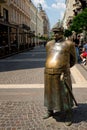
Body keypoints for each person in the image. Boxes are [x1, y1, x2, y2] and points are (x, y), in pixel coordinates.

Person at [44, 22, 77, 126]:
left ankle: (68, 114)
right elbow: (49, 56)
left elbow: (73, 60)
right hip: (48, 72)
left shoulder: (69, 44)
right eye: (53, 32)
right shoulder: (49, 44)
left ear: (62, 32)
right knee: (49, 93)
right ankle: (50, 111)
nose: (55, 34)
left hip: (63, 73)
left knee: (65, 94)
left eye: (57, 32)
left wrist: (65, 68)